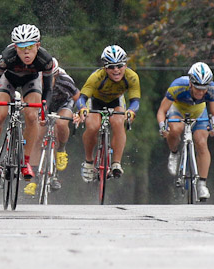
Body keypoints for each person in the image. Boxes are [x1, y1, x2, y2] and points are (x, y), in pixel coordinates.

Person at [0, 24, 54, 184]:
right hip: (8, 79)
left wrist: (45, 109)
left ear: (38, 45)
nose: (26, 52)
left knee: (31, 115)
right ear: (15, 47)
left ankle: (26, 161)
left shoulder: (46, 60)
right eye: (21, 48)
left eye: (30, 47)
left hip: (31, 80)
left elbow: (48, 89)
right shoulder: (7, 57)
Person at [75, 45, 140, 182]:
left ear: (125, 65)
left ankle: (116, 163)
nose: (116, 70)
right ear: (105, 67)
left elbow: (135, 101)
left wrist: (131, 111)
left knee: (118, 122)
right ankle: (88, 162)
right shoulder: (96, 77)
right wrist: (83, 109)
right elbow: (82, 98)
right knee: (93, 126)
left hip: (116, 101)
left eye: (119, 66)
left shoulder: (132, 77)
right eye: (111, 67)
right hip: (95, 101)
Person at [157, 62, 214, 200]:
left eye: (204, 89)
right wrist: (163, 126)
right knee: (175, 129)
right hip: (178, 110)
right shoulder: (178, 86)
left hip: (199, 112)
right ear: (190, 83)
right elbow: (162, 111)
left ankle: (202, 184)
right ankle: (174, 153)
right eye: (197, 88)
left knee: (201, 142)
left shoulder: (213, 89)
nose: (201, 92)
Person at [27, 58, 80, 195]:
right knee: (37, 136)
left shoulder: (65, 81)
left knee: (61, 123)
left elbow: (78, 98)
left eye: (49, 77)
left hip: (63, 104)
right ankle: (33, 179)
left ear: (56, 75)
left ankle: (61, 150)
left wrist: (80, 113)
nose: (45, 80)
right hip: (44, 106)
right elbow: (25, 98)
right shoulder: (33, 80)